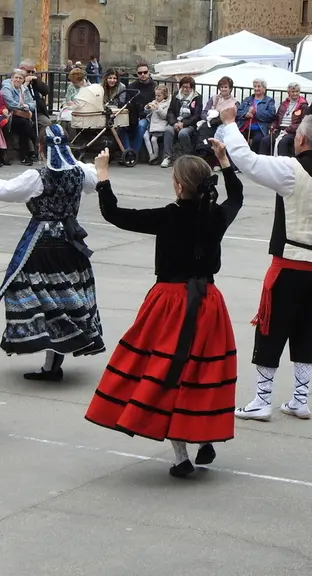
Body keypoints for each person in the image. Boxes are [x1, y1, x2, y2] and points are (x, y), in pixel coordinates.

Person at [85, 141, 243, 477]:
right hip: (209, 302)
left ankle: (181, 456)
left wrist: (102, 175)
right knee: (201, 369)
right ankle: (203, 438)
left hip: (170, 301)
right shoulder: (215, 216)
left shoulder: (169, 217)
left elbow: (115, 214)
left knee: (164, 370)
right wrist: (225, 162)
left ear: (179, 186)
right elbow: (238, 197)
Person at [216, 106, 312, 420]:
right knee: (307, 331)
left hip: (288, 263)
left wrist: (231, 123)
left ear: (300, 139)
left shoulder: (290, 169)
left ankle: (262, 399)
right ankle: (300, 399)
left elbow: (247, 161)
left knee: (271, 330)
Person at [0, 125, 105, 381]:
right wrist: (100, 166)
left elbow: (0, 191)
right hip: (71, 242)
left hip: (43, 244)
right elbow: (94, 181)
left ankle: (50, 353)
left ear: (40, 148)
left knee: (33, 293)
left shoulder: (37, 177)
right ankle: (54, 361)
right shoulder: (81, 173)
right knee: (64, 296)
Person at [2, 69, 39, 166]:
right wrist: (25, 107)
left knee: (24, 127)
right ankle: (37, 142)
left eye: (20, 78)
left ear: (23, 80)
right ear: (12, 78)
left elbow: (32, 104)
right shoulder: (7, 88)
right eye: (16, 78)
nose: (18, 80)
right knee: (24, 124)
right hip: (9, 116)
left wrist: (27, 106)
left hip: (21, 116)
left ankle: (25, 157)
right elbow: (10, 103)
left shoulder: (24, 89)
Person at [163, 76, 202, 166]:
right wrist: (174, 123)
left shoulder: (197, 97)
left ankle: (188, 157)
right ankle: (167, 157)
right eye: (183, 87)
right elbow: (170, 111)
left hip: (189, 124)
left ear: (192, 87)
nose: (185, 89)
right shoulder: (176, 95)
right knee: (168, 130)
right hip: (176, 121)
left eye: (187, 87)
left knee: (183, 134)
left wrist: (183, 124)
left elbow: (196, 115)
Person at [260, 82, 306, 157]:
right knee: (265, 140)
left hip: (292, 131)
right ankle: (263, 163)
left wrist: (289, 129)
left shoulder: (303, 106)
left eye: (297, 91)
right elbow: (276, 118)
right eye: (293, 92)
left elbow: (303, 123)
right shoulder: (283, 104)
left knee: (283, 142)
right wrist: (273, 126)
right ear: (288, 93)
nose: (295, 94)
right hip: (280, 129)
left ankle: (282, 165)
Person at [235, 79, 276, 153]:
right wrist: (246, 115)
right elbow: (238, 112)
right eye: (255, 86)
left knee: (257, 141)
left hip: (260, 129)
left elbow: (271, 115)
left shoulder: (269, 101)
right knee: (238, 139)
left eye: (259, 86)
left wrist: (256, 112)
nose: (256, 88)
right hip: (245, 127)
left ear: (264, 88)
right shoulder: (248, 99)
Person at [143, 84, 171, 164]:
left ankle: (156, 155)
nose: (157, 97)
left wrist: (158, 108)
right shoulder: (154, 102)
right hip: (152, 125)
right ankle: (151, 154)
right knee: (145, 136)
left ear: (164, 95)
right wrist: (147, 107)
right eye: (156, 95)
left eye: (159, 95)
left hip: (160, 125)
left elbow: (164, 116)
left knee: (153, 139)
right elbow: (147, 112)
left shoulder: (166, 104)